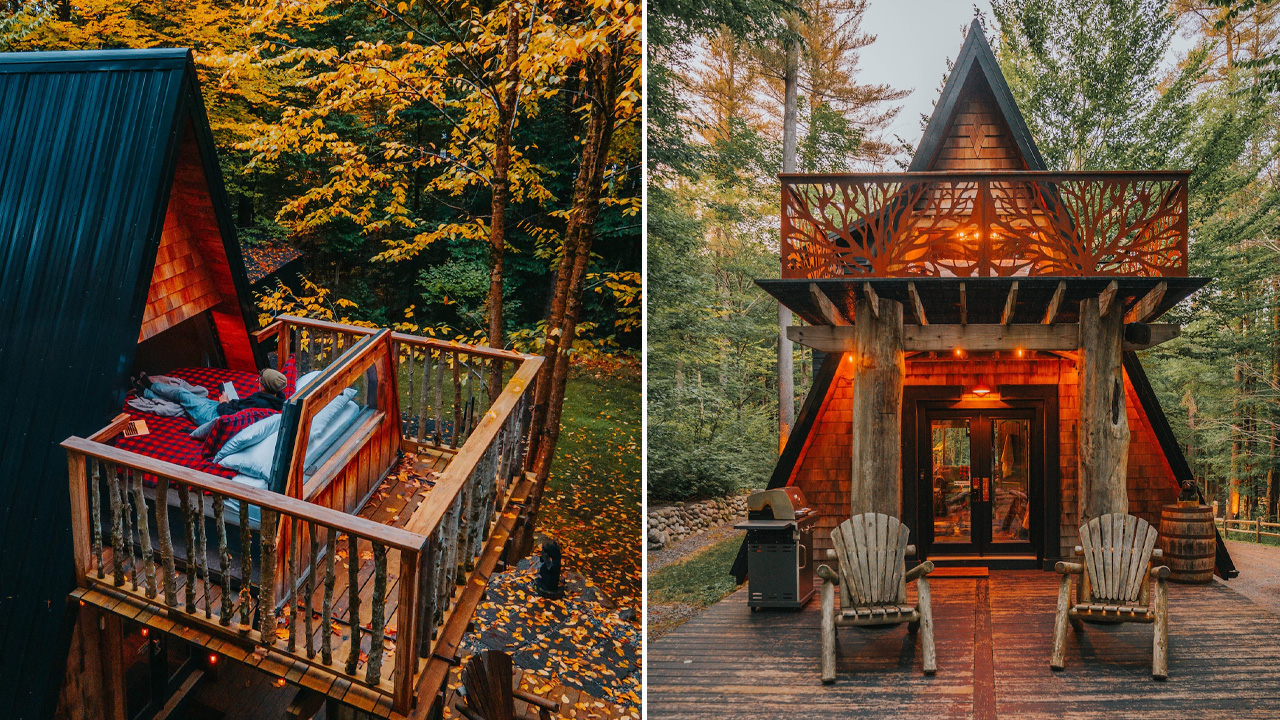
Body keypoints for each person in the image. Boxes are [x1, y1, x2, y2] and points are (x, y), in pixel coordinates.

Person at [131, 369, 287, 426]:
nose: (257, 382)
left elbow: (232, 417)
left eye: (259, 381)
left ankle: (147, 388)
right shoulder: (275, 400)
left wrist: (224, 402)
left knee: (182, 393)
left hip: (213, 416)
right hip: (219, 408)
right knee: (188, 397)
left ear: (265, 386)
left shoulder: (260, 404)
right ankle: (148, 390)